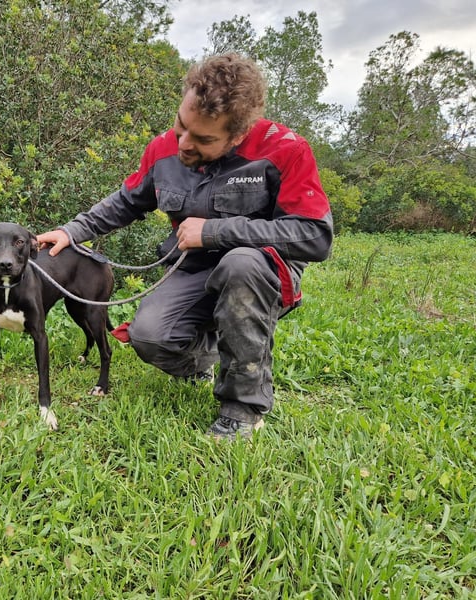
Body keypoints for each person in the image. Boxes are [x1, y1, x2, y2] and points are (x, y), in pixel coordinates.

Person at [37, 53, 333, 440]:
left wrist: (215, 231)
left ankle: (242, 407)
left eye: (204, 139)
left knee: (240, 265)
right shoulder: (166, 147)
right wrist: (72, 231)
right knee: (148, 336)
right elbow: (126, 201)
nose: (184, 144)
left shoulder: (285, 150)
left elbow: (314, 235)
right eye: (181, 126)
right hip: (192, 268)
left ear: (239, 133)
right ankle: (207, 357)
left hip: (260, 271)